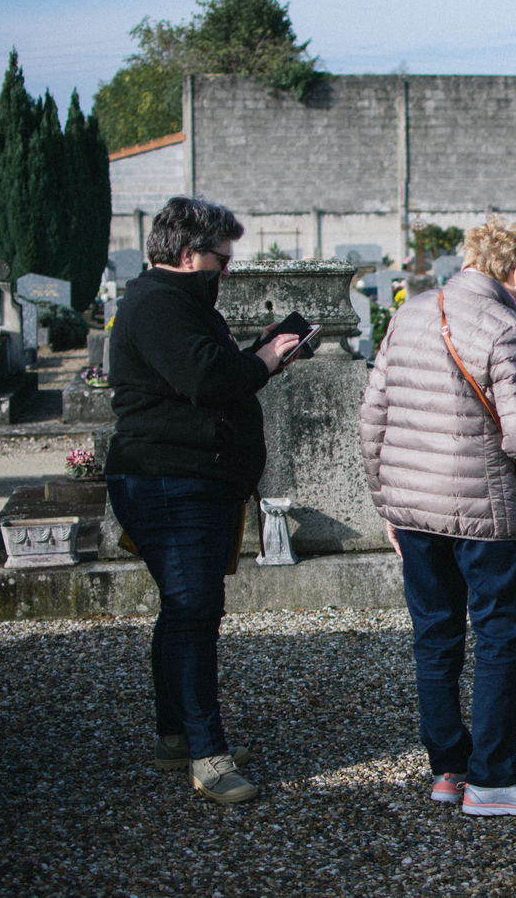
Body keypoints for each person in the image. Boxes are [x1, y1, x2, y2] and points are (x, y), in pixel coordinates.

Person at [359, 217, 516, 817]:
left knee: (434, 636)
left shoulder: (410, 312)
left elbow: (373, 418)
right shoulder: (504, 326)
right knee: (498, 639)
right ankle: (492, 781)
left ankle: (448, 769)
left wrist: (386, 503)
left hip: (413, 509)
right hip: (481, 512)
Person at [105, 196, 301, 804]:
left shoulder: (176, 302)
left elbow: (207, 371)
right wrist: (265, 359)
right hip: (169, 482)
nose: (225, 270)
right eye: (222, 259)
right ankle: (207, 755)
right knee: (193, 613)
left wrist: (258, 354)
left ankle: (177, 736)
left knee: (184, 612)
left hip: (192, 481)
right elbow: (208, 380)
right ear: (191, 255)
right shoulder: (158, 304)